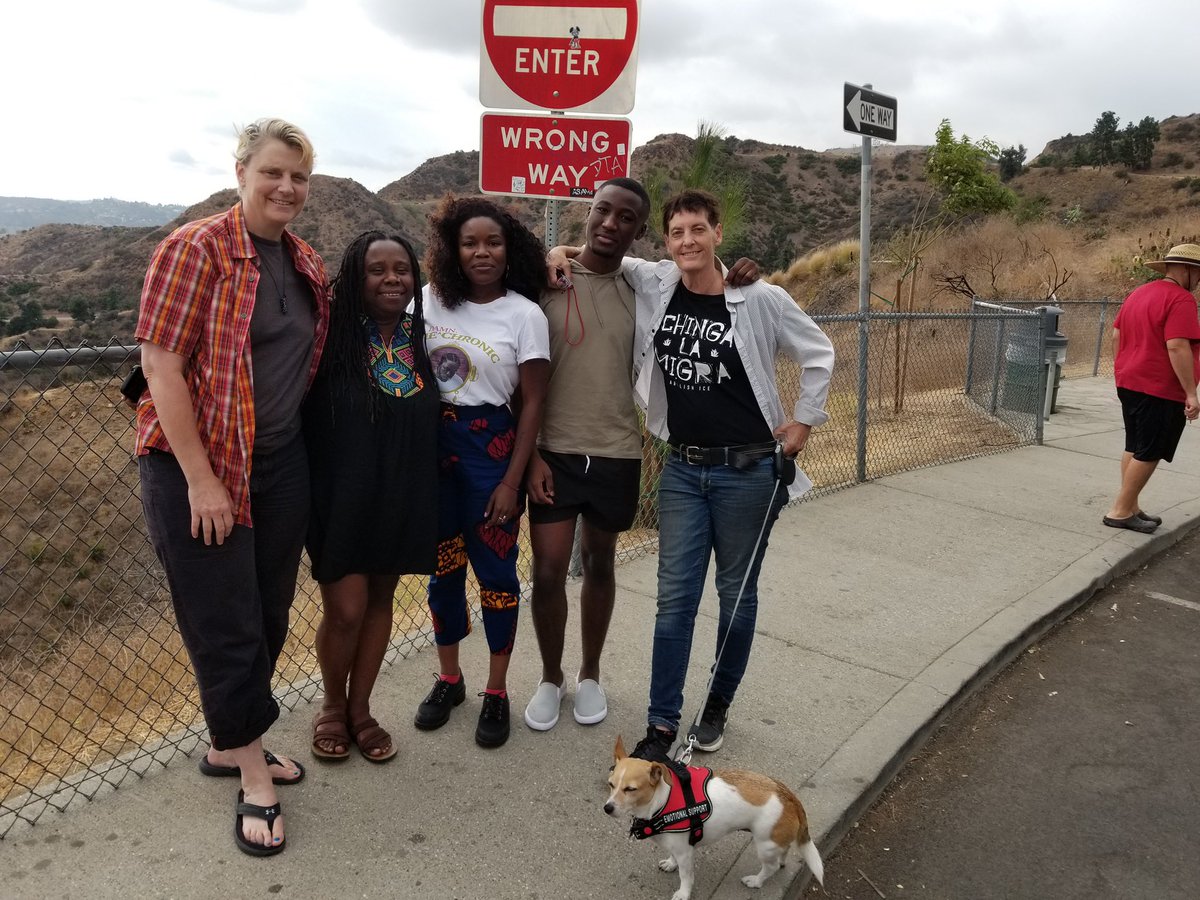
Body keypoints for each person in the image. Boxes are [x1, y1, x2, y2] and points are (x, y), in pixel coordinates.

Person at [134, 118, 329, 856]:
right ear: (241, 169)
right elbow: (161, 367)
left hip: (280, 464)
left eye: (299, 177)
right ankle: (252, 775)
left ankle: (230, 740)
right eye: (274, 172)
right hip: (199, 467)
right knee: (225, 623)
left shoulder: (301, 259)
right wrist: (202, 481)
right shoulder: (195, 249)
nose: (287, 188)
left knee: (271, 613)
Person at [622, 189, 834, 762]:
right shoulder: (659, 283)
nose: (686, 241)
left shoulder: (760, 298)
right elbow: (599, 249)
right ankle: (661, 725)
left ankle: (715, 706)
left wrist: (804, 423)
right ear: (666, 243)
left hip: (748, 472)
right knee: (674, 601)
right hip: (684, 470)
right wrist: (557, 253)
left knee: (735, 596)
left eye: (697, 229)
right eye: (676, 233)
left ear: (717, 232)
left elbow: (819, 353)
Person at [414, 196, 550, 748]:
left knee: (497, 576)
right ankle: (450, 678)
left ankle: (497, 691)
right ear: (453, 249)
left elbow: (534, 404)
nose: (481, 252)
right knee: (442, 571)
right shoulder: (426, 303)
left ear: (508, 247)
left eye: (492, 242)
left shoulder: (524, 314)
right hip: (431, 448)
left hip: (491, 448)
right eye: (470, 243)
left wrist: (512, 481)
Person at [303, 231, 439, 763]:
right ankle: (331, 706)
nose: (391, 279)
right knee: (345, 608)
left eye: (401, 269)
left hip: (403, 492)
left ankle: (361, 709)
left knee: (380, 600)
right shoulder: (326, 337)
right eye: (377, 270)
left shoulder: (423, 338)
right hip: (339, 494)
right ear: (355, 277)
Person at [522, 178, 651, 732]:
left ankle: (590, 673)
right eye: (602, 211)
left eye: (625, 218)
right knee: (548, 573)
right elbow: (516, 374)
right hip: (553, 452)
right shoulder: (544, 280)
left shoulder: (645, 288)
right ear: (588, 212)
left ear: (638, 231)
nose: (610, 223)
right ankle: (551, 678)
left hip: (617, 450)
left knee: (601, 564)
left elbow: (706, 280)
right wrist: (528, 457)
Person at [1104, 242, 1200, 533]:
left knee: (1134, 445)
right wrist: (1191, 393)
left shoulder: (1138, 293)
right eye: (1198, 274)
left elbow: (1116, 334)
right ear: (1187, 270)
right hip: (1159, 386)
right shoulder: (1182, 300)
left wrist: (1121, 369)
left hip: (1130, 381)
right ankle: (1120, 511)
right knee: (1151, 449)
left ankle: (1131, 505)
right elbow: (1177, 347)